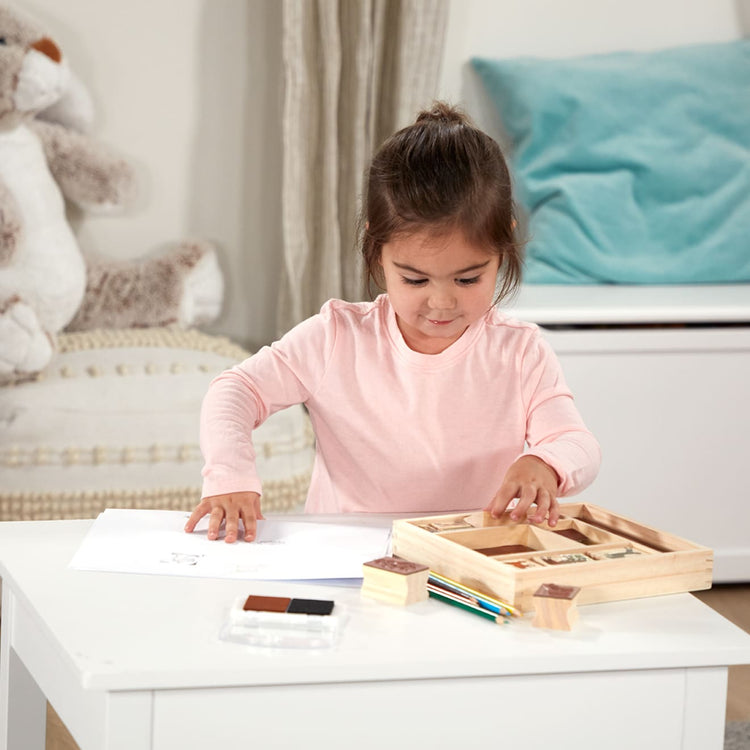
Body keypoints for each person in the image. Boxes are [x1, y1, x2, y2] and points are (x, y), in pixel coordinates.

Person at [185, 102, 600, 543]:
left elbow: (577, 442)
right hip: (346, 556)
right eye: (415, 279)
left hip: (470, 556)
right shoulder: (336, 338)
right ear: (375, 248)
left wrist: (545, 463)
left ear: (504, 247)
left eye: (468, 278)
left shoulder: (519, 352)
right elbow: (235, 391)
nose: (441, 302)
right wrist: (231, 475)